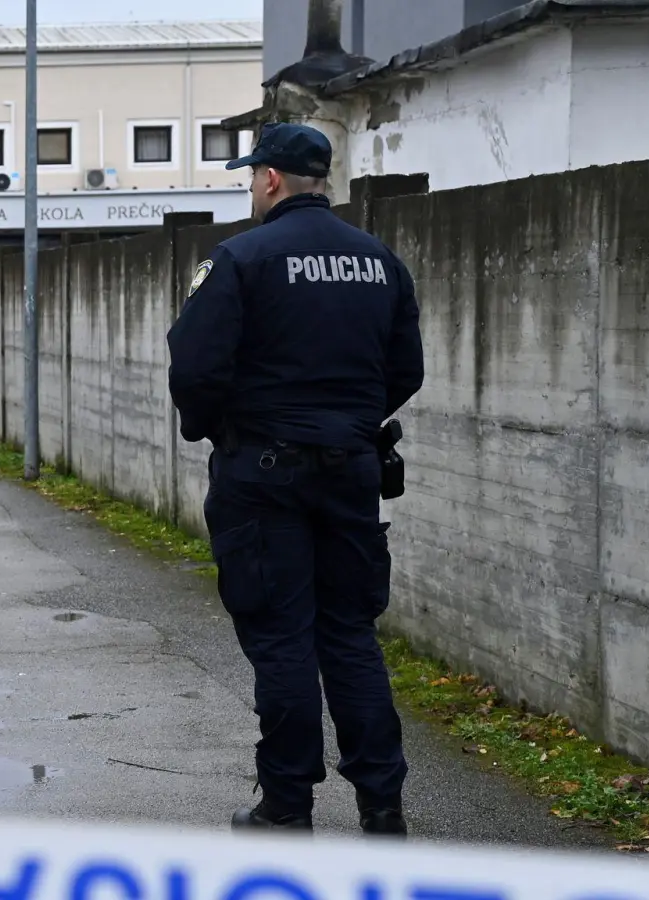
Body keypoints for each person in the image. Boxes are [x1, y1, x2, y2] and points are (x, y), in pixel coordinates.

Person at [165, 123, 424, 836]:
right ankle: (383, 807)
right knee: (349, 635)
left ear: (271, 179)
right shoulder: (380, 261)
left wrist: (219, 430)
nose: (251, 188)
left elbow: (194, 368)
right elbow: (407, 368)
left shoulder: (242, 258)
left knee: (283, 640)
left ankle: (286, 807)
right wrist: (347, 424)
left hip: (264, 475)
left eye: (253, 177)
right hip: (352, 471)